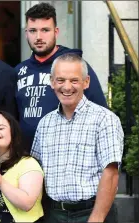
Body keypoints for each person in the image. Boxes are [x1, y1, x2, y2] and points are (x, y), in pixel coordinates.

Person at [31, 53, 123, 223]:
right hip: (54, 214)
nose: (67, 87)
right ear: (52, 82)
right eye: (60, 80)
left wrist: (97, 218)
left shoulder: (105, 119)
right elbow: (35, 169)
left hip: (92, 213)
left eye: (74, 80)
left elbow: (111, 173)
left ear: (86, 82)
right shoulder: (45, 124)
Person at [15, 2, 108, 150]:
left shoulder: (74, 65)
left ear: (56, 32)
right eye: (33, 31)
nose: (38, 37)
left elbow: (101, 112)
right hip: (27, 159)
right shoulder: (19, 71)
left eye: (45, 30)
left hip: (68, 155)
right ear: (26, 33)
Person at [0, 111, 44, 223]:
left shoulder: (28, 163)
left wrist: (1, 181)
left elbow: (27, 203)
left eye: (1, 128)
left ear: (13, 132)